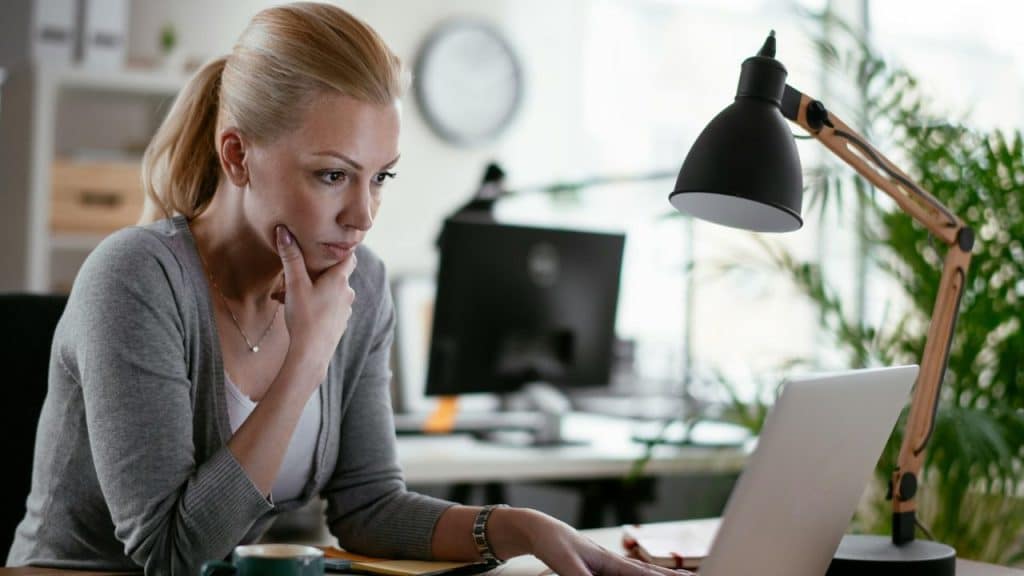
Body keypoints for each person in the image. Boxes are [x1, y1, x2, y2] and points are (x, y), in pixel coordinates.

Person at [6, 4, 691, 576]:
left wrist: (518, 529)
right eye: (333, 175)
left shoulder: (360, 280)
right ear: (237, 155)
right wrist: (307, 358)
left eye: (380, 177)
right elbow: (172, 552)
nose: (363, 216)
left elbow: (367, 508)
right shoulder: (135, 279)